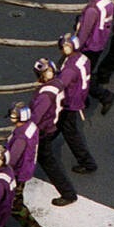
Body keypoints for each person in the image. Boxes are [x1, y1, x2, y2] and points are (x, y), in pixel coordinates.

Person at [29, 59, 77, 206]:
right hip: (52, 123)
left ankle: (68, 194)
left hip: (44, 130)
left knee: (48, 162)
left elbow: (37, 116)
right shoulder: (57, 84)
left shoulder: (45, 95)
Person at [3, 103, 48, 227]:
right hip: (25, 169)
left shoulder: (21, 136)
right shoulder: (30, 127)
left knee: (15, 206)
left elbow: (13, 159)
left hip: (17, 173)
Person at [54, 33, 96, 174]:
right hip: (78, 98)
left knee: (70, 134)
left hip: (69, 103)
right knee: (58, 126)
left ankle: (87, 163)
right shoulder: (82, 58)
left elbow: (60, 84)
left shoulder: (70, 67)